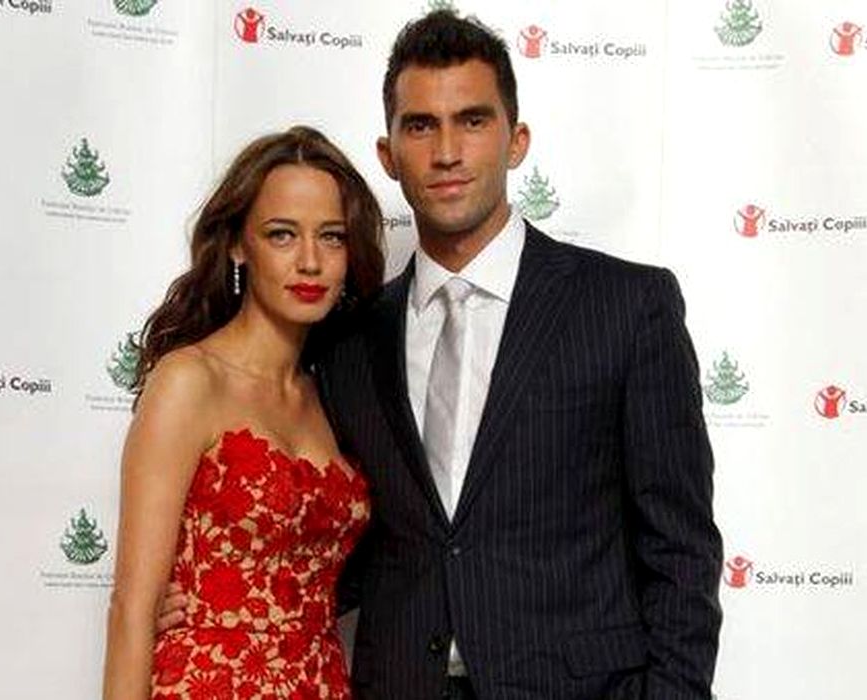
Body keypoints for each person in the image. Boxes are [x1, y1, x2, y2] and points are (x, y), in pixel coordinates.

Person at [161, 10, 722, 699]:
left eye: (473, 121)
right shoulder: (348, 340)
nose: (447, 151)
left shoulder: (626, 308)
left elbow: (681, 551)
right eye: (421, 126)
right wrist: (222, 599)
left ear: (516, 141)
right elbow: (347, 537)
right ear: (388, 153)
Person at [102, 125, 385, 699]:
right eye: (282, 235)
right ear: (237, 244)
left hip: (321, 683)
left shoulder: (334, 393)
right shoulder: (189, 380)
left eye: (331, 237)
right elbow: (133, 609)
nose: (310, 261)